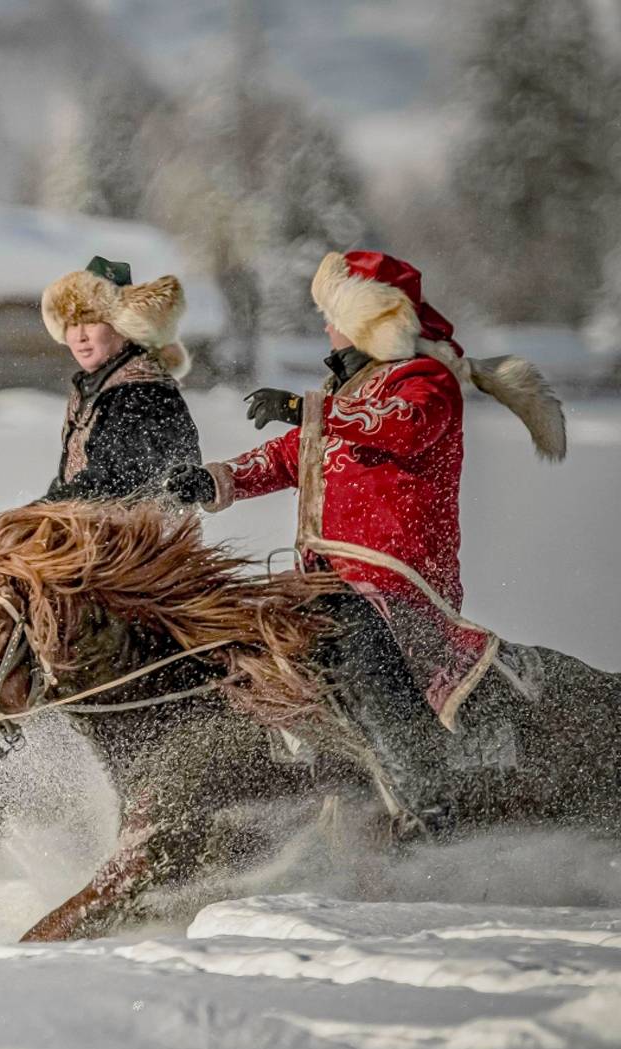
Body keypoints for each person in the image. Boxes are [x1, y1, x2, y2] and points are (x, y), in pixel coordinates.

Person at [161, 250, 566, 832]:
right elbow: (289, 455)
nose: (326, 325)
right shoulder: (346, 391)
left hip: (395, 581)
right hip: (326, 578)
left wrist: (309, 408)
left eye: (335, 313)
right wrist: (218, 478)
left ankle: (426, 793)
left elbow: (399, 425)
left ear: (373, 321)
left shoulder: (425, 383)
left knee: (346, 628)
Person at [38, 257, 200, 501]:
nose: (80, 336)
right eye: (72, 323)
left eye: (92, 321)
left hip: (137, 537)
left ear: (123, 326)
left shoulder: (142, 394)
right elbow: (78, 479)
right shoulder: (99, 387)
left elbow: (111, 484)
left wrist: (42, 511)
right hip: (97, 531)